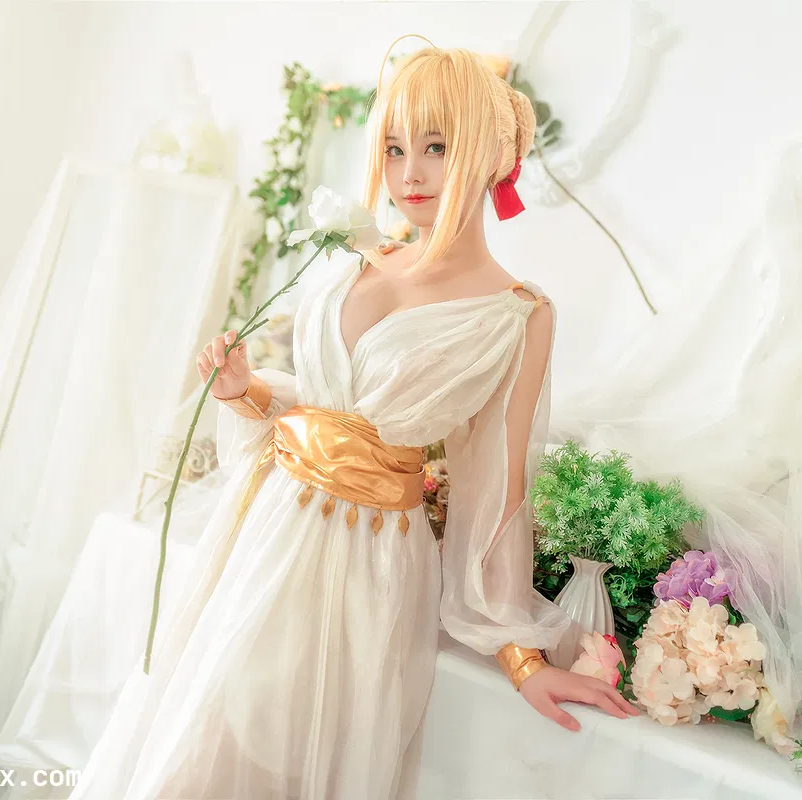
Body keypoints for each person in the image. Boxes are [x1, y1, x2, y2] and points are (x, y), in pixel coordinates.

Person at [69, 38, 639, 800]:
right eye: (395, 148)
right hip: (266, 527)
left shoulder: (518, 314)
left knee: (286, 768)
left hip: (365, 561)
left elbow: (497, 493)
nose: (409, 174)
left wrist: (521, 656)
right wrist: (245, 390)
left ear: (485, 152)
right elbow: (322, 408)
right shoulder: (363, 256)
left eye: (436, 147)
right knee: (192, 749)